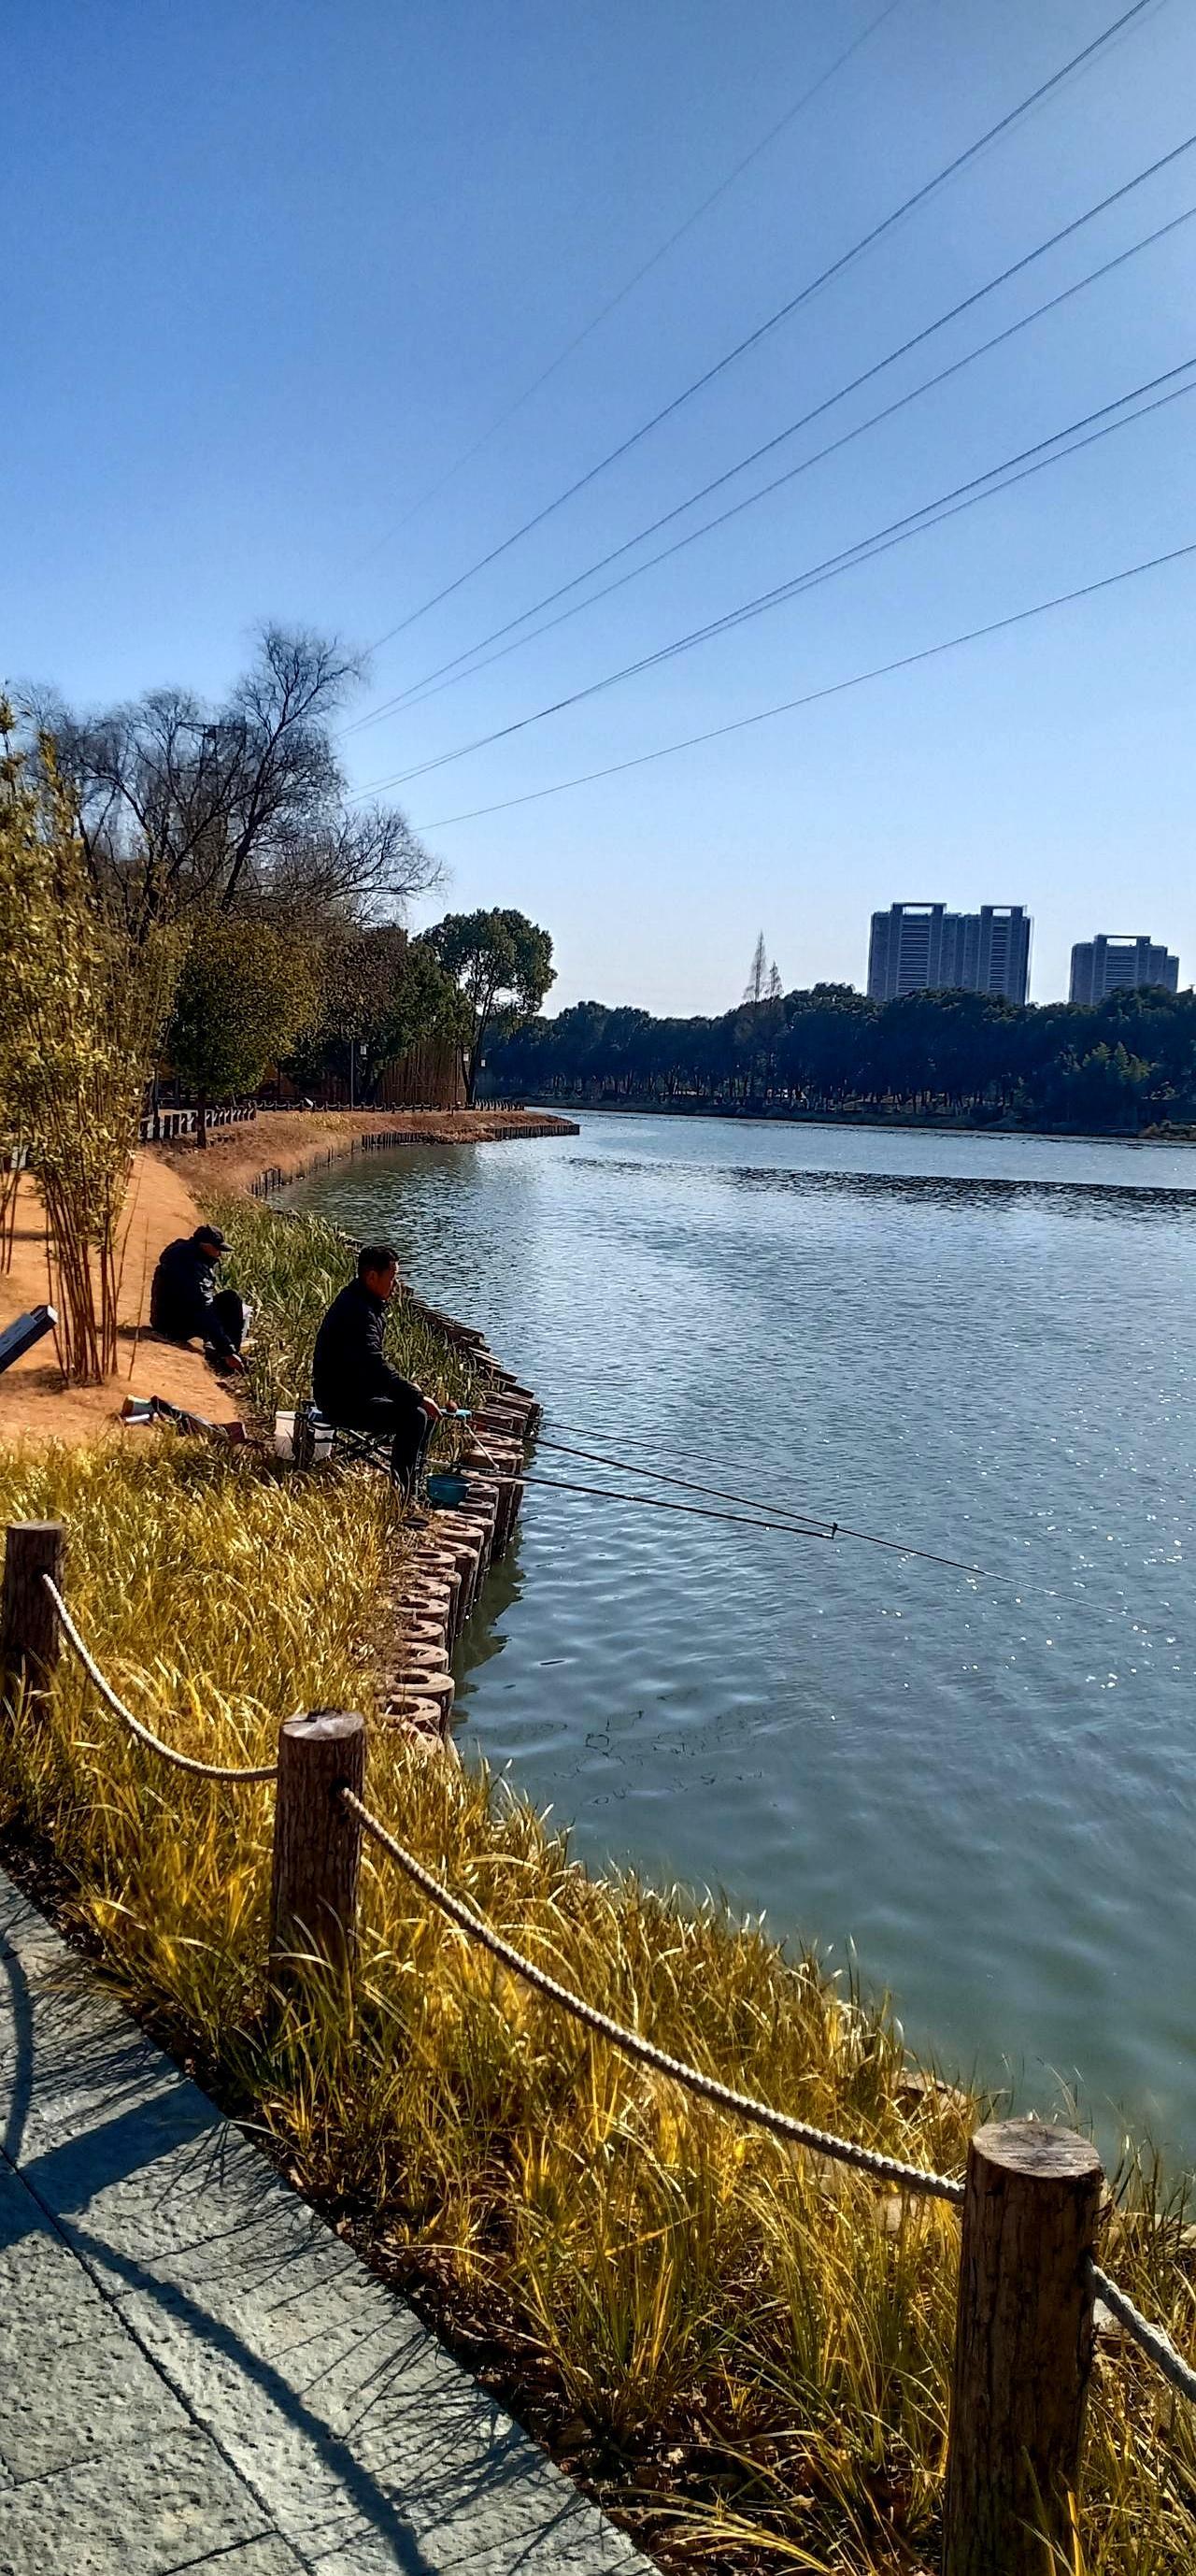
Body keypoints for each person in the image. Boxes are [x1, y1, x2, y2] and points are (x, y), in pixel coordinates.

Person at [312, 1243, 440, 1492]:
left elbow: (370, 1368)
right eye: (392, 1278)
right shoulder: (357, 1311)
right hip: (338, 1399)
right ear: (372, 1276)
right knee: (415, 1416)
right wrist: (416, 1396)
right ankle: (402, 1494)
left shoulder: (365, 1303)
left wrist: (412, 1394)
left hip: (356, 1390)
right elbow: (373, 1365)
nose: (396, 1285)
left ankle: (413, 1479)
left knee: (420, 1409)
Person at [150, 1224, 248, 1377]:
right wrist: (228, 1351)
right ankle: (228, 1360)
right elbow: (205, 1310)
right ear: (205, 1245)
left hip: (163, 1318)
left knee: (226, 1304)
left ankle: (223, 1351)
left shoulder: (181, 1251)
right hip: (174, 1325)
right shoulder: (193, 1267)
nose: (219, 1254)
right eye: (217, 1249)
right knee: (231, 1300)